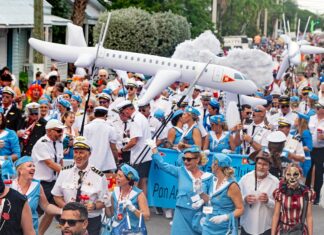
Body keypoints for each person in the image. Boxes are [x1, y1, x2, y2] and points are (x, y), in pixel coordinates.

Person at [146, 140, 213, 235]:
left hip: (198, 216)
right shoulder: (181, 171)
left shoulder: (208, 177)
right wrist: (154, 148)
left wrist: (203, 200)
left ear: (197, 160)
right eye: (184, 159)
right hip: (181, 214)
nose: (185, 161)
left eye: (189, 159)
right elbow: (163, 165)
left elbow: (211, 202)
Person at [52, 136, 108, 235]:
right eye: (76, 152)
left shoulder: (99, 176)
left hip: (90, 219)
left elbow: (105, 201)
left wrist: (94, 206)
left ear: (89, 154)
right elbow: (56, 196)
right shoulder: (65, 172)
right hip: (69, 221)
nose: (78, 156)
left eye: (81, 152)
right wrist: (69, 208)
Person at [11, 156, 62, 234]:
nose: (33, 168)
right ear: (20, 170)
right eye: (29, 166)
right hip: (12, 229)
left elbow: (46, 206)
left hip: (31, 229)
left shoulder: (37, 186)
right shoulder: (10, 186)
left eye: (34, 166)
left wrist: (62, 211)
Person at [31, 119, 65, 235]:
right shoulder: (42, 143)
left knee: (51, 212)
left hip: (54, 182)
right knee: (37, 212)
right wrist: (68, 173)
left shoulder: (59, 143)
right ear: (49, 131)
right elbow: (50, 163)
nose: (61, 133)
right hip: (41, 183)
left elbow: (60, 162)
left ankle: (39, 233)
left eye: (62, 131)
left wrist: (63, 176)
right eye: (59, 131)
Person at [202, 153, 244, 235]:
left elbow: (241, 209)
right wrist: (200, 193)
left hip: (224, 229)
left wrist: (225, 217)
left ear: (216, 166)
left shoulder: (232, 186)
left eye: (212, 163)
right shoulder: (212, 180)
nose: (211, 165)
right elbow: (209, 200)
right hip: (208, 225)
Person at [239, 150, 279, 235]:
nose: (261, 167)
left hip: (265, 227)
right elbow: (236, 200)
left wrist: (268, 201)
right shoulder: (245, 179)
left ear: (269, 166)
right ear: (255, 164)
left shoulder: (275, 182)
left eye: (265, 165)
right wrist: (245, 199)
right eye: (259, 163)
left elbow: (280, 206)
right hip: (246, 225)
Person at [116, 100, 152, 196]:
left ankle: (132, 204)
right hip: (146, 156)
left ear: (127, 110)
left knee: (133, 182)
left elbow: (133, 141)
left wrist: (122, 149)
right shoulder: (141, 117)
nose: (123, 115)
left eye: (123, 112)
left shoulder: (135, 120)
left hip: (139, 156)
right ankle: (142, 206)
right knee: (142, 182)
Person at [272, 163, 315, 235]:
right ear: (285, 176)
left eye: (295, 174)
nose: (292, 177)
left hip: (299, 231)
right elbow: (276, 215)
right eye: (289, 174)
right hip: (283, 230)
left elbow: (309, 216)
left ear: (300, 175)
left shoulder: (307, 193)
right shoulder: (280, 193)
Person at [105, 164, 150, 230]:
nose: (116, 178)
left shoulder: (139, 194)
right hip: (116, 230)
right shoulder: (114, 191)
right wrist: (107, 204)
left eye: (120, 176)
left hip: (132, 231)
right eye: (117, 175)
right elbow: (110, 215)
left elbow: (146, 217)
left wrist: (133, 209)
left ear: (128, 179)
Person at [84, 106, 118, 175]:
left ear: (94, 114)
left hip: (89, 165)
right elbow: (113, 148)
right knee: (108, 185)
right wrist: (116, 161)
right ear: (106, 115)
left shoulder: (86, 127)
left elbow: (84, 146)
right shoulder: (110, 129)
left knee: (89, 185)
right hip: (106, 166)